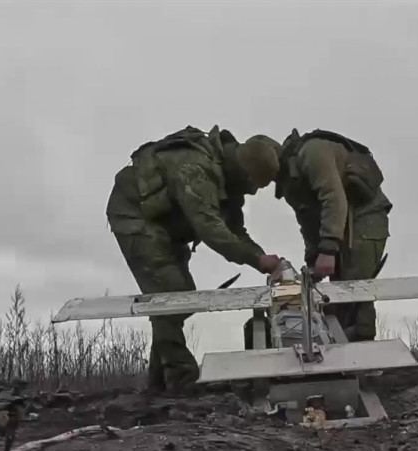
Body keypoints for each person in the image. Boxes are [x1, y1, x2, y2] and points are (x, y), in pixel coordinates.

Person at [105, 125, 284, 392]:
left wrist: (261, 255)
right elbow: (210, 229)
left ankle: (159, 383)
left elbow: (234, 229)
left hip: (166, 228)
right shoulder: (196, 167)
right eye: (252, 185)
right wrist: (256, 261)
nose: (252, 193)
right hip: (134, 216)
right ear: (244, 172)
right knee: (173, 293)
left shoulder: (226, 180)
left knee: (172, 300)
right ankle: (182, 380)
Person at [273, 129, 392, 342]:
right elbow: (307, 221)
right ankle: (339, 351)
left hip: (366, 220)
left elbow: (335, 198)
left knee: (354, 289)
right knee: (335, 296)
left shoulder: (312, 153)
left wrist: (327, 249)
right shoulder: (291, 183)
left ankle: (363, 355)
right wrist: (313, 260)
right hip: (341, 225)